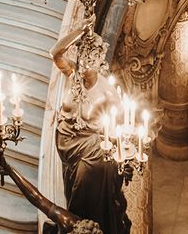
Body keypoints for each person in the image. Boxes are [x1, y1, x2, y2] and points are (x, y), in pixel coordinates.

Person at [50, 17, 129, 234]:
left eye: (88, 62)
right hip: (66, 143)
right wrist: (78, 31)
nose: (83, 66)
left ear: (98, 61)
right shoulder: (73, 74)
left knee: (82, 189)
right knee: (72, 185)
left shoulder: (107, 92)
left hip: (90, 149)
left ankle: (82, 226)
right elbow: (55, 52)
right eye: (81, 60)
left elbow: (121, 126)